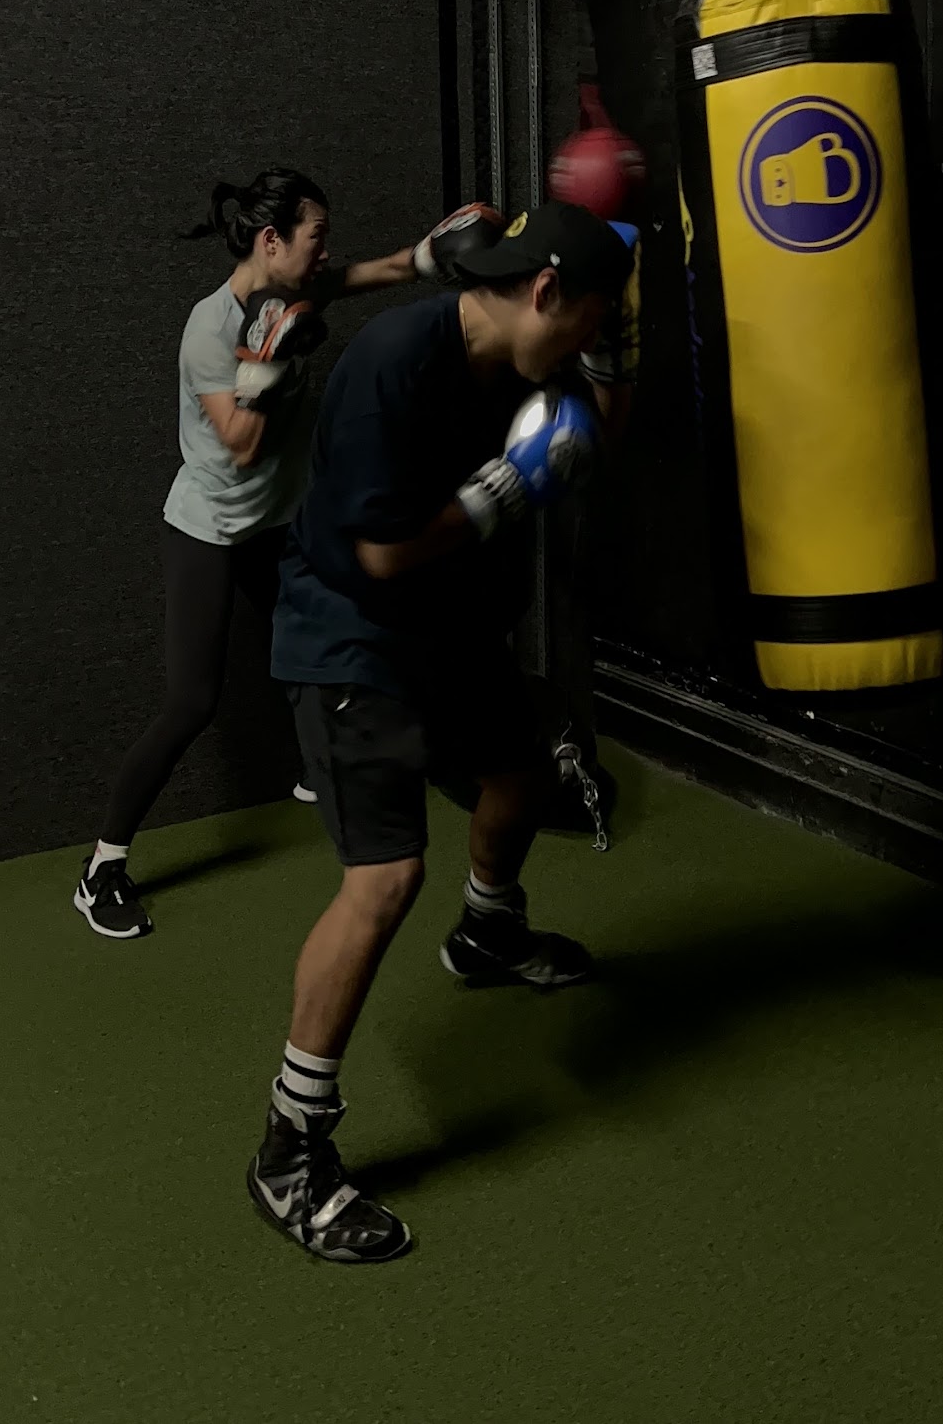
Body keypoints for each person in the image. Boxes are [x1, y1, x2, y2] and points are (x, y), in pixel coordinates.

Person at [247, 201, 637, 1264]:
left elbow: (597, 430)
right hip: (350, 631)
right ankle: (290, 1147)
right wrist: (506, 490)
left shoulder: (524, 353)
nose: (590, 339)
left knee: (521, 775)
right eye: (590, 318)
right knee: (384, 877)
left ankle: (489, 934)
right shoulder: (393, 365)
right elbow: (380, 555)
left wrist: (613, 353)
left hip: (448, 622)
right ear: (544, 292)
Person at [73, 169, 499, 942]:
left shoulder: (296, 290)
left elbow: (375, 272)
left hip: (280, 524)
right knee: (191, 702)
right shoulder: (209, 329)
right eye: (315, 236)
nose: (325, 250)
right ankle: (102, 865)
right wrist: (263, 363)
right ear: (272, 241)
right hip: (209, 529)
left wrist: (431, 255)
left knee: (352, 631)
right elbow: (241, 445)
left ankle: (396, 766)